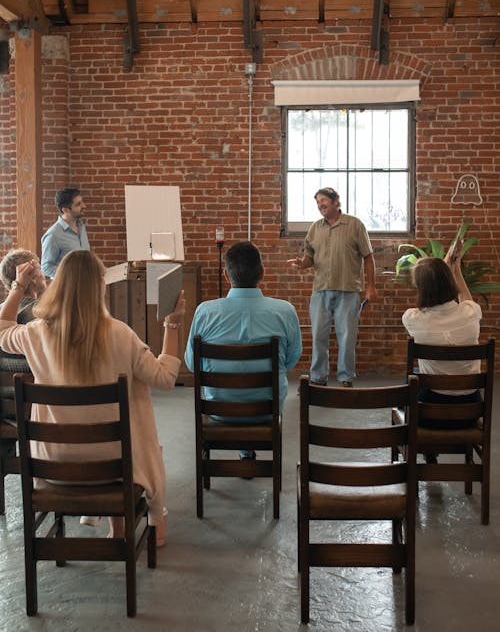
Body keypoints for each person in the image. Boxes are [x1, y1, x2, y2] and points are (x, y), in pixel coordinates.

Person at [0, 250, 185, 544]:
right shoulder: (121, 335)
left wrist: (18, 286)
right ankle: (154, 519)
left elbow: (3, 328)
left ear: (59, 285)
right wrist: (172, 323)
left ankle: (118, 528)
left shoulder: (36, 334)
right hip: (114, 466)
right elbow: (165, 379)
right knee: (139, 439)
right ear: (100, 284)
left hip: (53, 466)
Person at [184, 241, 302, 462]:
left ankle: (244, 450)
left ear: (226, 276)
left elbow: (192, 364)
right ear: (262, 273)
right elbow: (290, 360)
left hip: (219, 409)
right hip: (267, 408)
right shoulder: (285, 311)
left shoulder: (205, 312)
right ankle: (246, 450)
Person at [288, 187, 377, 387]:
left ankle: (346, 377)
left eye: (324, 200)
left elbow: (368, 258)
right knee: (319, 335)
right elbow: (309, 258)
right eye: (317, 202)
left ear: (336, 201)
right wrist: (302, 264)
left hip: (348, 291)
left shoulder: (355, 225)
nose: (320, 205)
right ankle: (318, 377)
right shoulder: (314, 228)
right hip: (320, 291)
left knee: (347, 337)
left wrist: (371, 287)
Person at [402, 244, 482, 410]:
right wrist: (456, 268)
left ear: (421, 290)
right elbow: (467, 300)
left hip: (429, 410)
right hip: (470, 409)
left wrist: (447, 264)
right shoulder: (471, 313)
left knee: (406, 390)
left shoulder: (412, 319)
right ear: (450, 282)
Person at [0, 249, 47, 373]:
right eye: (41, 269)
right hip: (37, 389)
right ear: (31, 277)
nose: (45, 275)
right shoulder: (43, 316)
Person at [41, 188, 90, 279]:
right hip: (66, 290)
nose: (84, 206)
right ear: (65, 210)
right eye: (78, 204)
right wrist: (70, 275)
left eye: (81, 202)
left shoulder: (81, 226)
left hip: (84, 285)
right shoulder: (53, 235)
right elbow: (46, 267)